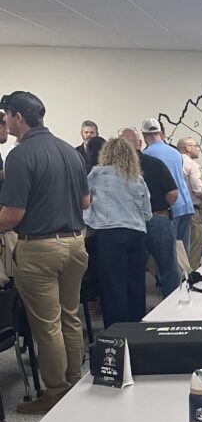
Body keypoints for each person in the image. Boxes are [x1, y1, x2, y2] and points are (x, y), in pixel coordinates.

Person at [0, 91, 89, 414]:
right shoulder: (70, 151)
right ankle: (75, 381)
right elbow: (85, 202)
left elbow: (13, 214)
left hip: (39, 249)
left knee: (47, 325)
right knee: (70, 316)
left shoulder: (20, 155)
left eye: (6, 116)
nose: (5, 122)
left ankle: (57, 392)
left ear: (18, 117)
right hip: (76, 244)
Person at [84, 138, 151, 328]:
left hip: (109, 234)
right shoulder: (137, 178)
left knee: (113, 287)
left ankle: (116, 334)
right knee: (136, 285)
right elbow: (147, 212)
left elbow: (85, 204)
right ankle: (136, 331)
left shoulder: (97, 174)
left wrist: (92, 221)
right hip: (136, 233)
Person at [119, 127, 180, 298]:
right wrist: (160, 207)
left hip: (131, 222)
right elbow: (173, 193)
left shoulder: (117, 168)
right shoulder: (155, 163)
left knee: (134, 269)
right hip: (158, 218)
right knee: (168, 267)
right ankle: (172, 303)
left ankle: (136, 307)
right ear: (139, 143)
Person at [141, 118, 194, 255]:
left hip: (170, 208)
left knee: (169, 255)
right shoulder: (175, 152)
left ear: (144, 135)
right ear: (160, 133)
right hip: (186, 206)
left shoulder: (146, 155)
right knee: (183, 254)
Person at [176, 136, 202, 270]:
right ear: (188, 148)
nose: (198, 149)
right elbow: (198, 190)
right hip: (193, 210)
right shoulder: (192, 165)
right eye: (196, 146)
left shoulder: (175, 163)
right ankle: (191, 276)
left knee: (180, 248)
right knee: (194, 247)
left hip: (177, 210)